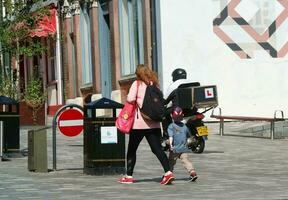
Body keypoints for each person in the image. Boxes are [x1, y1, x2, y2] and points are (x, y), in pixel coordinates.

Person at [118, 64, 174, 185]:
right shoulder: (154, 84)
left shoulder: (137, 84)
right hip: (154, 123)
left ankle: (128, 176)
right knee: (157, 149)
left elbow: (130, 99)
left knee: (132, 150)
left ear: (138, 74)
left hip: (139, 124)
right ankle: (168, 172)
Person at [167, 106, 198, 182]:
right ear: (182, 116)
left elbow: (171, 137)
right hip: (184, 148)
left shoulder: (171, 126)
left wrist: (170, 145)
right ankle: (192, 172)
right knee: (186, 161)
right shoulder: (185, 126)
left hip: (174, 149)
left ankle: (169, 174)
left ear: (171, 116)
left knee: (171, 162)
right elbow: (189, 136)